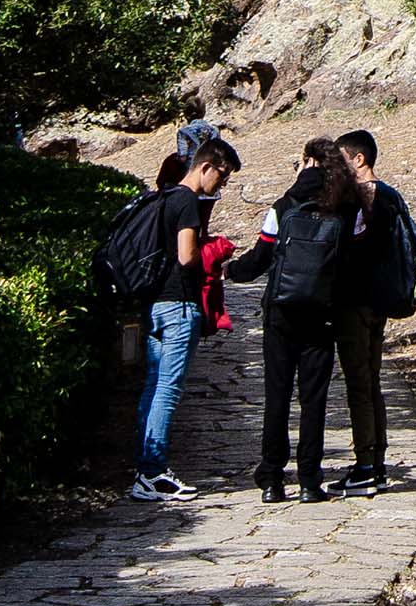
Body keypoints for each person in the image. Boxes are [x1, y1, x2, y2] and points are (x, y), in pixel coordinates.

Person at [225, 138, 345, 502]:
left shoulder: (282, 207)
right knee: (314, 399)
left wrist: (230, 271)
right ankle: (310, 481)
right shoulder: (343, 207)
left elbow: (260, 258)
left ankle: (273, 479)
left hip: (281, 313)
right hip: (322, 316)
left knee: (277, 395)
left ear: (307, 162)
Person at [130, 133, 242, 500]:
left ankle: (145, 467)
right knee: (168, 388)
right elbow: (186, 256)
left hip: (154, 304)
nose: (220, 187)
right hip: (179, 304)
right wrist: (214, 251)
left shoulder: (161, 198)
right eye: (221, 178)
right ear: (205, 167)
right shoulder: (188, 203)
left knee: (152, 386)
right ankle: (154, 471)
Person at [325, 128, 416, 495]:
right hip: (379, 302)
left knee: (358, 383)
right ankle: (375, 461)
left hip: (355, 301)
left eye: (342, 160)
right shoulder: (394, 196)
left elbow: (355, 248)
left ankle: (365, 465)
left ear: (359, 159)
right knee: (372, 380)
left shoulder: (366, 198)